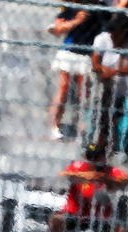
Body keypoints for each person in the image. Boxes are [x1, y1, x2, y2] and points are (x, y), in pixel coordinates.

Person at [46, 142, 128, 232]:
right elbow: (63, 174)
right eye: (90, 157)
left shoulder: (110, 171)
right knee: (55, 221)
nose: (93, 161)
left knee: (120, 230)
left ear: (103, 157)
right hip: (74, 214)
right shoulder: (79, 166)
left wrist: (105, 178)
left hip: (100, 218)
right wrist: (88, 176)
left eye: (97, 157)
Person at [46, 0, 105, 141]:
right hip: (69, 52)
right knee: (63, 89)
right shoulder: (69, 10)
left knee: (84, 93)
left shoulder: (98, 9)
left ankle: (84, 130)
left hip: (87, 54)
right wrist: (77, 20)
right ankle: (54, 126)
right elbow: (58, 30)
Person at [90, 13, 128, 152]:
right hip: (104, 84)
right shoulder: (102, 39)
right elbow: (95, 64)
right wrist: (106, 71)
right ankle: (99, 146)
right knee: (102, 119)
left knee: (114, 120)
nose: (113, 37)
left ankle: (110, 146)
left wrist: (113, 71)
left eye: (116, 34)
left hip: (124, 88)